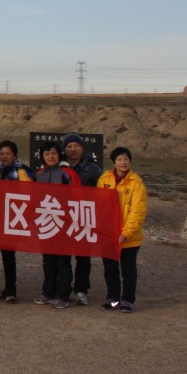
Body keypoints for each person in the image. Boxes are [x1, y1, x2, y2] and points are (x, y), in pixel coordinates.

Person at [98, 147, 148, 313]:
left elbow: (138, 210)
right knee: (110, 269)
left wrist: (126, 232)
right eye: (119, 159)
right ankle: (113, 299)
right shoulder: (104, 179)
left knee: (128, 270)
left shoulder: (136, 183)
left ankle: (127, 300)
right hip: (109, 234)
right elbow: (98, 205)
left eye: (126, 159)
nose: (123, 162)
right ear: (114, 162)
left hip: (129, 236)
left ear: (130, 161)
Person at [32, 141, 80, 309]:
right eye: (46, 154)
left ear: (59, 155)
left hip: (64, 223)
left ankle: (63, 294)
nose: (50, 157)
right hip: (45, 223)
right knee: (48, 260)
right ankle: (48, 292)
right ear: (42, 157)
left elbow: (77, 197)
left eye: (53, 153)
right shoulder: (39, 174)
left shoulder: (68, 173)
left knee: (63, 260)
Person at [62, 132, 103, 306]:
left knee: (83, 256)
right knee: (63, 256)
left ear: (82, 148)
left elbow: (102, 193)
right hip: (62, 217)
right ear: (64, 149)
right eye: (69, 146)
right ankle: (63, 289)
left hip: (84, 217)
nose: (73, 149)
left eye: (76, 146)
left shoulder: (93, 169)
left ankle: (81, 289)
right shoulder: (58, 167)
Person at [0, 140, 34, 303]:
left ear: (14, 154)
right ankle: (9, 289)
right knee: (6, 254)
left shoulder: (21, 171)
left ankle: (11, 290)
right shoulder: (0, 172)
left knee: (9, 254)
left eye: (7, 153)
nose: (4, 156)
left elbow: (29, 193)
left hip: (16, 217)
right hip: (4, 217)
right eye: (1, 154)